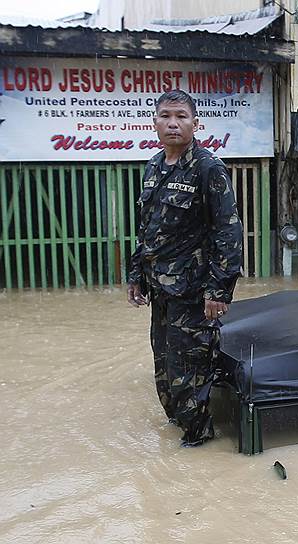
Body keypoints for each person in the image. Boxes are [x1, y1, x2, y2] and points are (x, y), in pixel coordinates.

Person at [127, 89, 243, 447]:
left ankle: (198, 441)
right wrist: (136, 274)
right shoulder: (153, 167)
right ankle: (180, 428)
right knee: (163, 367)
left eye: (181, 116)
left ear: (196, 123)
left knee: (189, 371)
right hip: (162, 291)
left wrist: (218, 291)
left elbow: (229, 232)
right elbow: (147, 227)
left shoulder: (208, 169)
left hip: (193, 294)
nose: (173, 123)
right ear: (155, 122)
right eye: (165, 115)